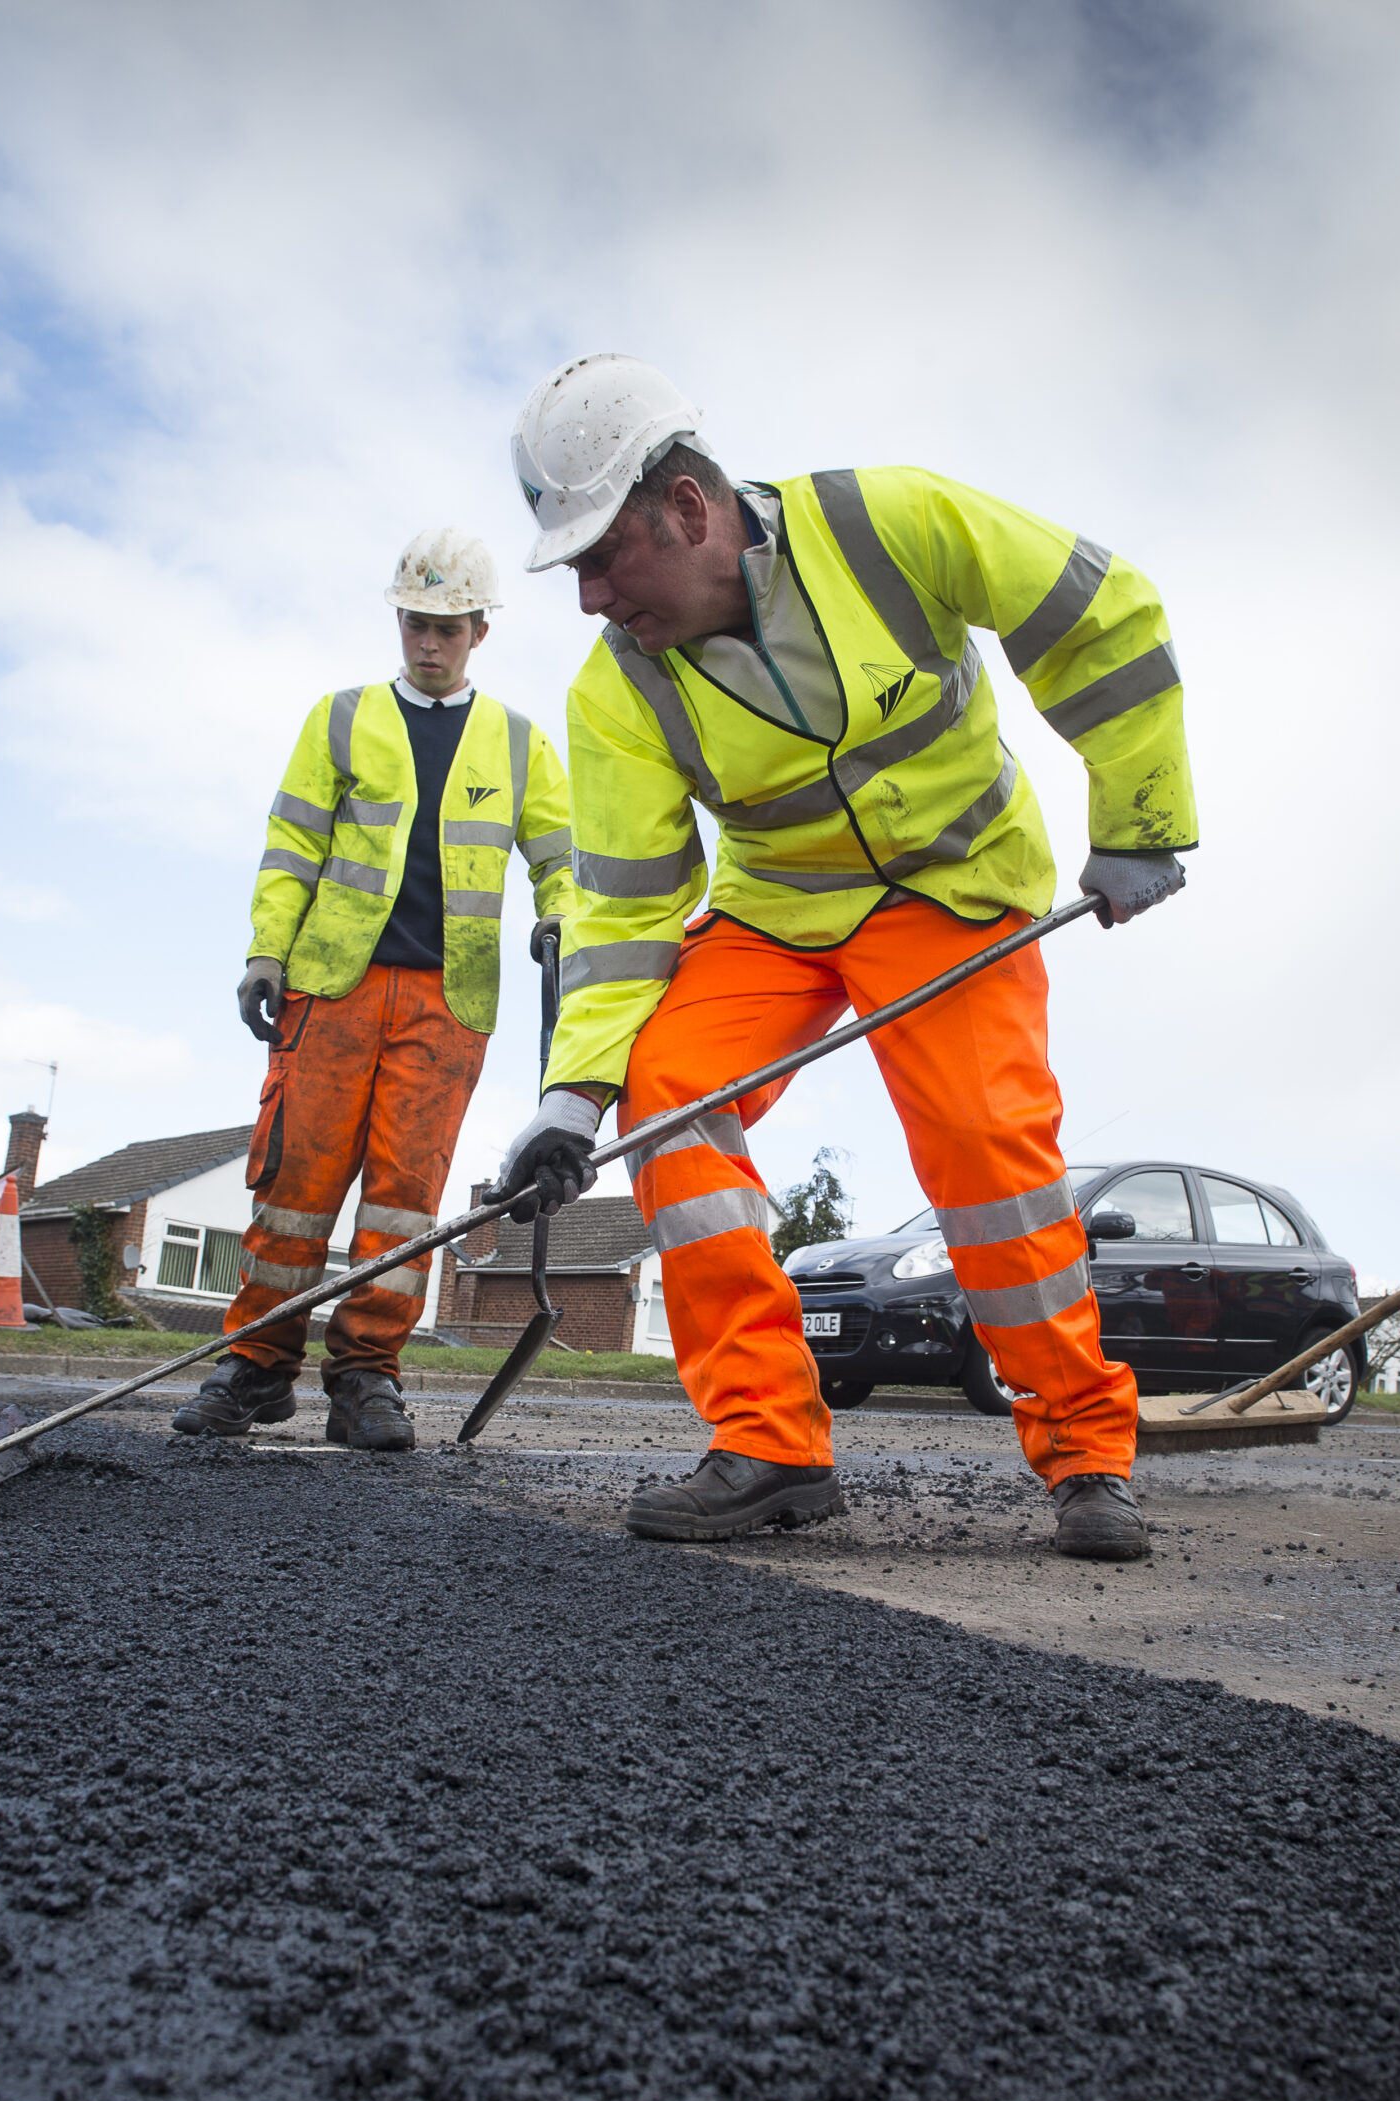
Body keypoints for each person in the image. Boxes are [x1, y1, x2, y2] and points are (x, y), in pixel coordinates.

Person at [492, 356, 1195, 1557]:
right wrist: (573, 1095)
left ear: (691, 510)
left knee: (987, 1156)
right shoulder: (619, 693)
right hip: (781, 910)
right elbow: (624, 909)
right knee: (669, 1093)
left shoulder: (889, 525)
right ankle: (769, 1441)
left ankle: (1084, 1451)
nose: (593, 597)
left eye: (605, 556)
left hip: (953, 892)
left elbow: (1102, 613)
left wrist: (1139, 819)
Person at [176, 528, 574, 1451]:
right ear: (398, 622)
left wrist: (561, 917)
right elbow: (292, 847)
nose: (427, 642)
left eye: (445, 626)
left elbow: (563, 857)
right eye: (413, 624)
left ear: (480, 630)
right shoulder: (341, 718)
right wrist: (266, 952)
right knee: (295, 1188)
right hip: (332, 989)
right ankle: (257, 1365)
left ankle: (365, 1376)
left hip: (448, 1003)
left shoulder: (519, 744)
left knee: (403, 1201)